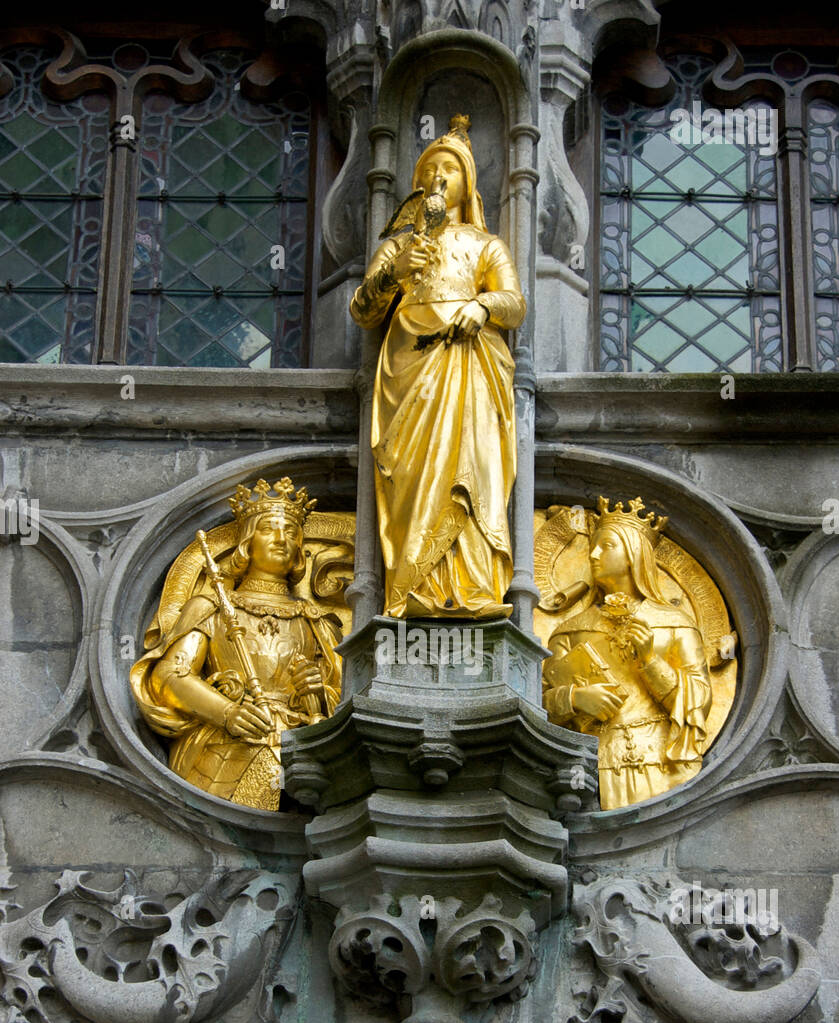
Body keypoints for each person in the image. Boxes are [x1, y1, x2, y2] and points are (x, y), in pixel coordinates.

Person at [350, 114, 526, 619]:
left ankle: (470, 589)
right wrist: (393, 275)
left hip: (469, 361)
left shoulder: (485, 244)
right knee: (413, 476)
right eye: (430, 169)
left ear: (467, 183)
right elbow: (364, 312)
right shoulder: (399, 245)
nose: (438, 177)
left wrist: (484, 307)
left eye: (450, 168)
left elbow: (515, 301)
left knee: (469, 467)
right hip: (409, 368)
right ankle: (410, 591)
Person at [131, 478, 342, 810]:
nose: (281, 539)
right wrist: (227, 712)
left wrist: (316, 697)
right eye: (269, 529)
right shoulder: (212, 606)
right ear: (247, 541)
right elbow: (170, 676)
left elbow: (343, 700)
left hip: (300, 746)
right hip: (227, 741)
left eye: (290, 532)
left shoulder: (315, 621)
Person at [543, 498, 712, 809]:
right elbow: (540, 701)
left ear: (634, 553)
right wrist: (575, 698)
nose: (593, 554)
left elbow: (698, 701)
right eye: (593, 546)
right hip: (589, 764)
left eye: (606, 546)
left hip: (658, 760)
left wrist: (651, 661)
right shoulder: (571, 629)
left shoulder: (674, 624)